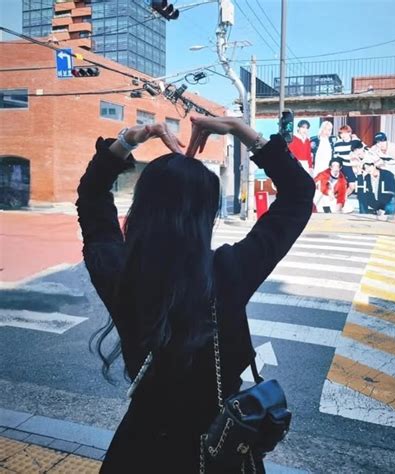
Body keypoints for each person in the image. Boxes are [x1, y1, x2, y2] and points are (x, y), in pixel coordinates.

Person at [76, 115, 315, 473]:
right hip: (219, 448)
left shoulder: (119, 271)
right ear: (206, 216)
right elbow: (298, 195)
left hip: (140, 449)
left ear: (141, 207)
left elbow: (91, 197)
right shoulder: (229, 271)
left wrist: (129, 140)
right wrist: (239, 130)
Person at [358, 156, 395, 220]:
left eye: (369, 166)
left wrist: (382, 208)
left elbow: (391, 192)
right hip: (375, 202)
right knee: (361, 193)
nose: (368, 169)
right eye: (365, 168)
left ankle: (385, 213)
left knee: (390, 205)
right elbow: (360, 188)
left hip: (386, 201)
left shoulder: (387, 174)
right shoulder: (367, 177)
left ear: (374, 165)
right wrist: (359, 174)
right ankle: (365, 214)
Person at [333, 125, 360, 200]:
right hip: (342, 167)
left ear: (349, 133)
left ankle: (343, 197)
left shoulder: (355, 142)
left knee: (352, 186)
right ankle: (339, 199)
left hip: (353, 166)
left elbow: (362, 151)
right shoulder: (337, 144)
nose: (343, 135)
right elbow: (336, 157)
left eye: (345, 133)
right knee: (339, 185)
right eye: (341, 133)